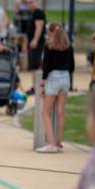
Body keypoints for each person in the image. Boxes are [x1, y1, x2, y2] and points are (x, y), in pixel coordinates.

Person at [36, 23, 75, 153]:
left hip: (53, 78)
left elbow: (46, 67)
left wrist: (42, 85)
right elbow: (72, 67)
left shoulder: (49, 46)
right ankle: (58, 143)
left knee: (45, 112)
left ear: (50, 32)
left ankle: (51, 144)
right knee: (60, 112)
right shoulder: (69, 47)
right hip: (65, 77)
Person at [26, 0, 46, 95]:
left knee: (37, 65)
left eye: (31, 2)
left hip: (37, 44)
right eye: (28, 3)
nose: (29, 4)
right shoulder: (33, 14)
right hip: (33, 43)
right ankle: (34, 87)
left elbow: (39, 27)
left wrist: (35, 40)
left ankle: (38, 87)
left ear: (36, 2)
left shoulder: (38, 13)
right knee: (34, 66)